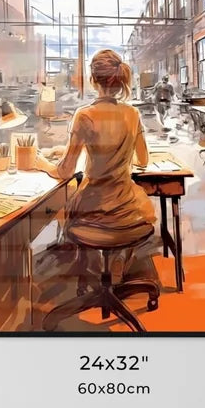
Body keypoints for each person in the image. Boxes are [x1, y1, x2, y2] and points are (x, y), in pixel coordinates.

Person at [34, 48, 155, 256]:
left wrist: (40, 163)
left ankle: (84, 264)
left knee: (63, 208)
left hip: (94, 209)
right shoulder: (132, 114)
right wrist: (119, 152)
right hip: (128, 208)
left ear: (93, 79)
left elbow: (64, 171)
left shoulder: (85, 115)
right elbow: (143, 160)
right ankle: (115, 264)